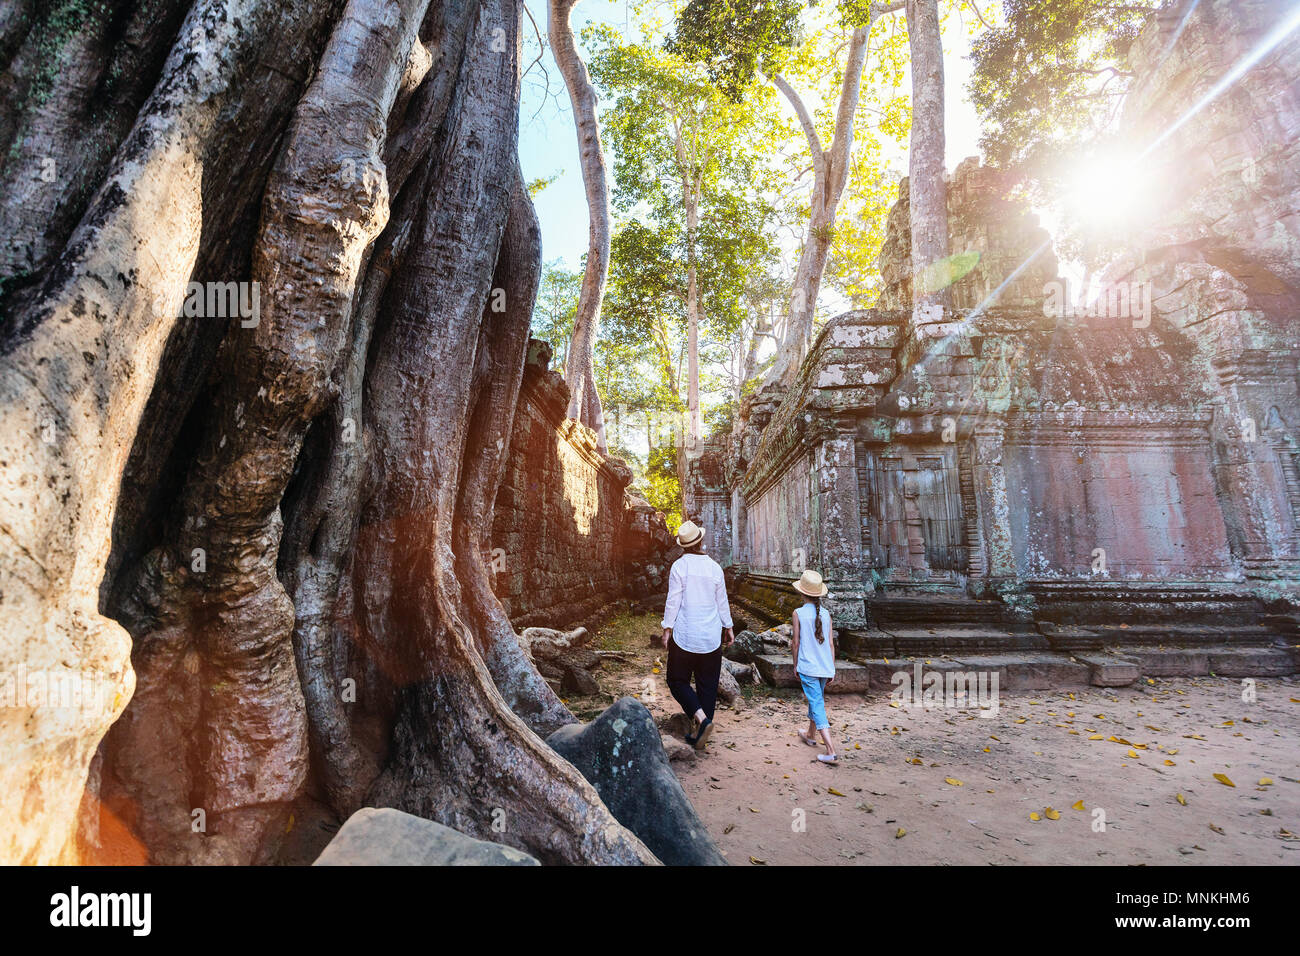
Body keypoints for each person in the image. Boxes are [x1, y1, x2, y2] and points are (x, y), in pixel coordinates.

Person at [660, 519, 733, 750]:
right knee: (708, 685)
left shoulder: (680, 567)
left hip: (685, 635)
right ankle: (702, 730)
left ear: (683, 545)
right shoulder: (714, 568)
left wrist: (667, 628)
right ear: (701, 541)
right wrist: (729, 627)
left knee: (676, 680)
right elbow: (722, 601)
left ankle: (701, 721)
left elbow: (674, 600)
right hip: (711, 636)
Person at [790, 569, 838, 764]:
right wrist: (832, 668)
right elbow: (831, 644)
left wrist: (795, 664)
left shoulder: (798, 613)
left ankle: (830, 749)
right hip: (824, 667)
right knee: (815, 699)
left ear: (802, 593)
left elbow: (795, 642)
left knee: (817, 704)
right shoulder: (826, 615)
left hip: (808, 667)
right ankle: (810, 734)